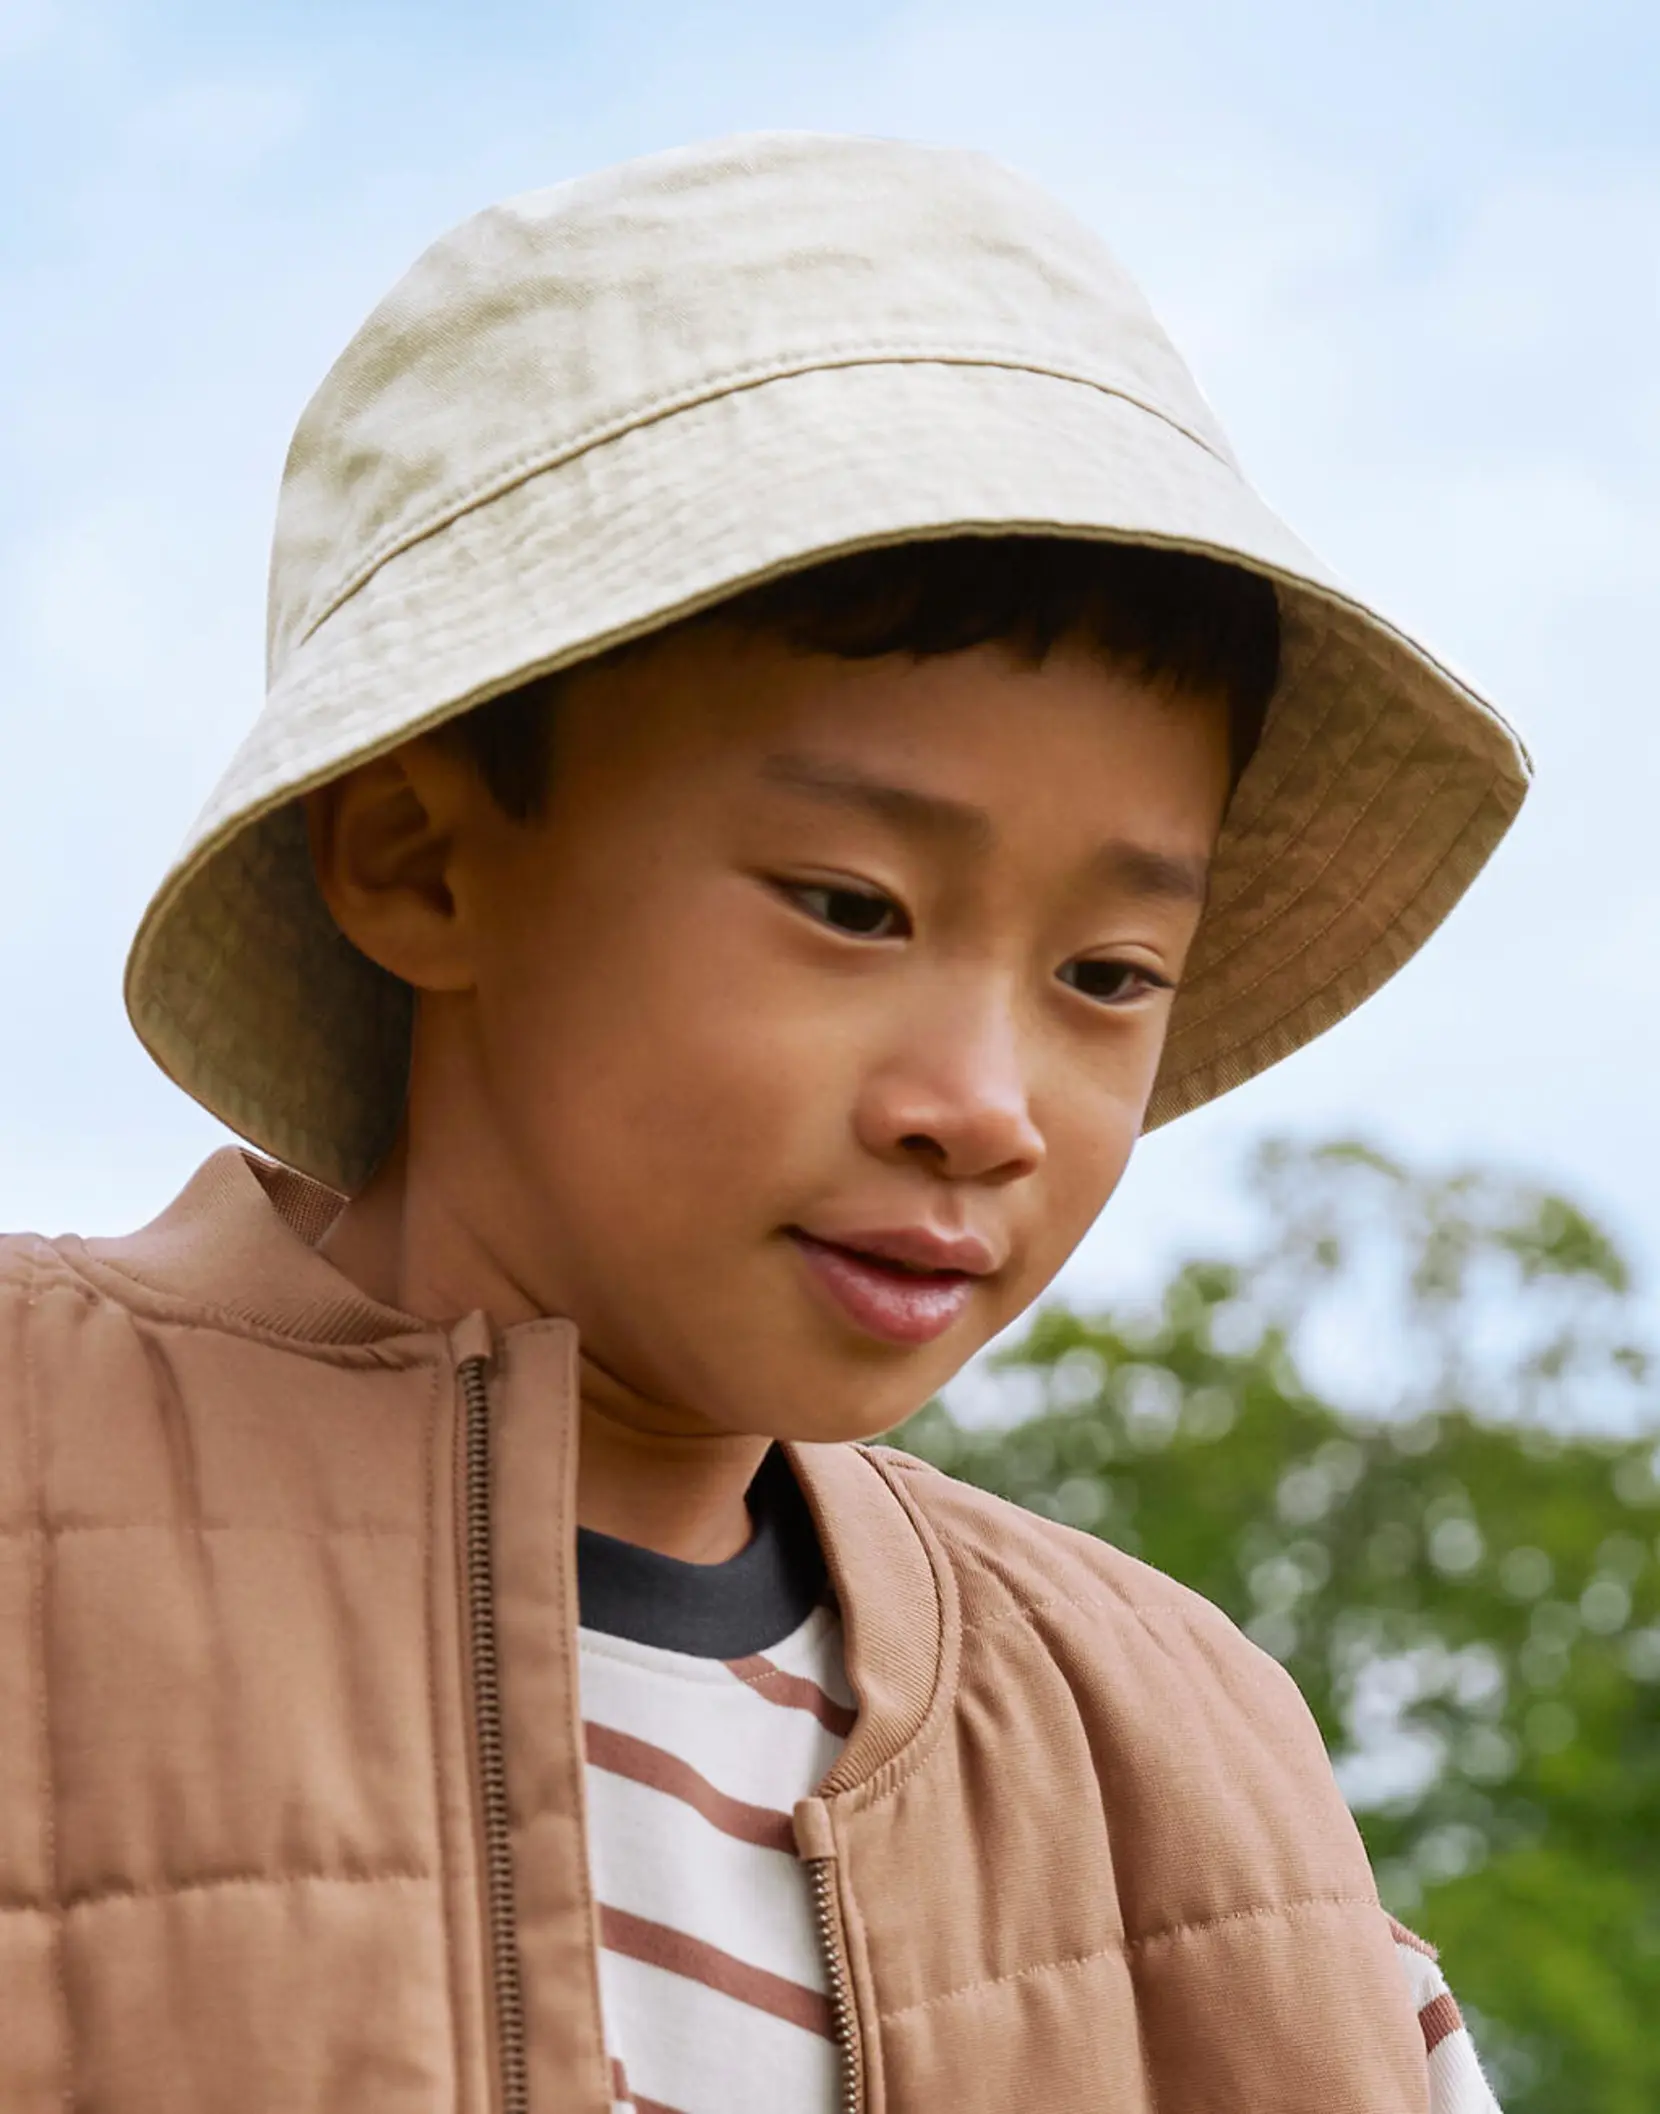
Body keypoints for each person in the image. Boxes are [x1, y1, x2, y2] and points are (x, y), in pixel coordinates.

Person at [1, 134, 1525, 2113]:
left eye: (1107, 973)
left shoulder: (1195, 1787)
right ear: (423, 861)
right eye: (848, 906)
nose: (979, 1107)